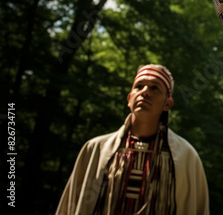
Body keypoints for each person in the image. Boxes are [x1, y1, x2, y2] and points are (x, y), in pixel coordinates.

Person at [56, 64, 209, 215]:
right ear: (129, 99)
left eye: (155, 88)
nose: (145, 92)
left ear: (167, 103)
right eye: (139, 86)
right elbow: (71, 206)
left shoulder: (186, 157)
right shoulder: (96, 149)